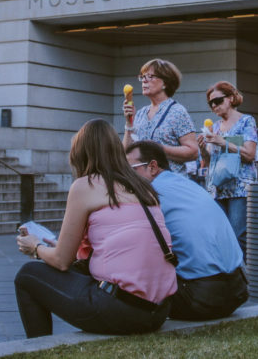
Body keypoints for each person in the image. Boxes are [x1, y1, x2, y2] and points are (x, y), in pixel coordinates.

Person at [14, 119, 176, 338]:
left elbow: (62, 261)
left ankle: (40, 348)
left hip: (125, 311)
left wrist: (36, 247)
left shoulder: (85, 186)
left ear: (80, 154)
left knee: (28, 275)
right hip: (159, 311)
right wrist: (59, 246)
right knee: (77, 268)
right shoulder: (142, 187)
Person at [126, 141, 248, 320]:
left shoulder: (151, 194)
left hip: (200, 299)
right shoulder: (189, 185)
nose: (125, 176)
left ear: (152, 167)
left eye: (130, 169)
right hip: (237, 291)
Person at [198, 80, 257, 256]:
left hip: (240, 188)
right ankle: (228, 270)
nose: (214, 106)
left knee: (238, 235)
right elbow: (209, 161)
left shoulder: (246, 121)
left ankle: (242, 271)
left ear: (231, 98)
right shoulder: (215, 127)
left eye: (218, 101)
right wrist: (203, 149)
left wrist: (223, 142)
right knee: (220, 235)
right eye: (210, 103)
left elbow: (250, 154)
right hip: (218, 187)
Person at [122, 58, 198, 174]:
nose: (144, 80)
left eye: (150, 76)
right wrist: (129, 123)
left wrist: (158, 148)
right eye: (143, 77)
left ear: (165, 83)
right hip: (142, 182)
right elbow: (126, 152)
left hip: (169, 181)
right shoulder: (141, 113)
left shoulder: (177, 112)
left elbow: (193, 152)